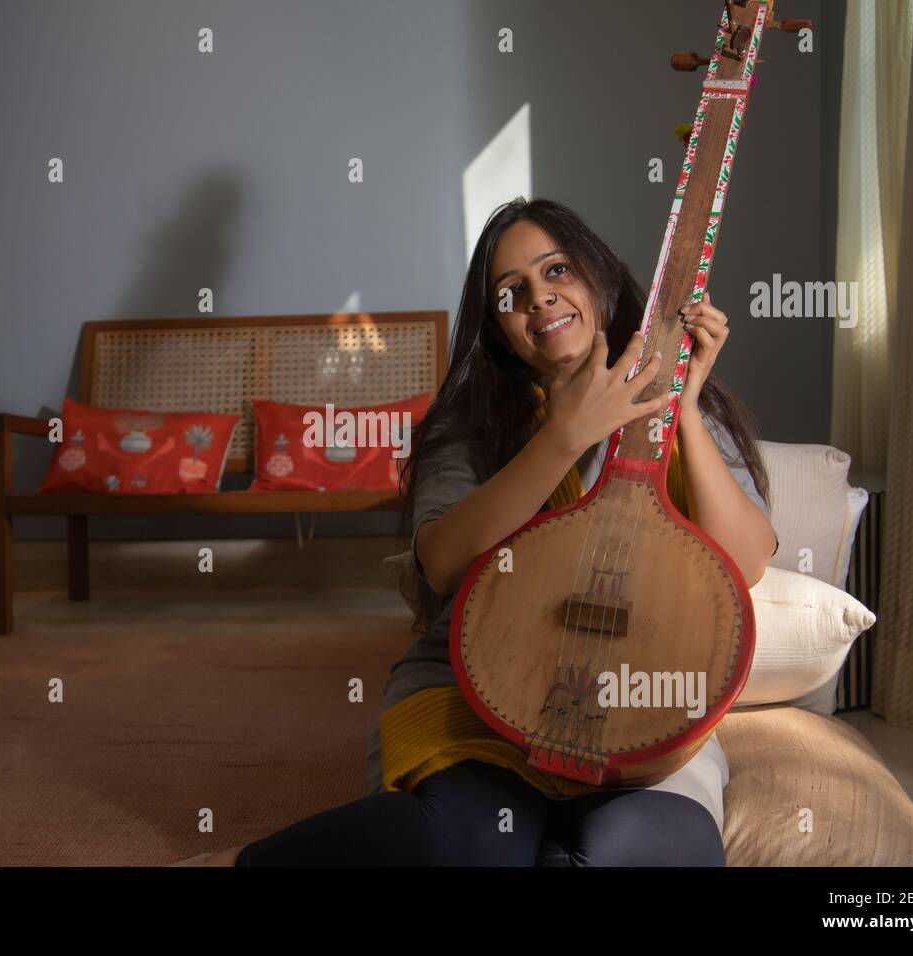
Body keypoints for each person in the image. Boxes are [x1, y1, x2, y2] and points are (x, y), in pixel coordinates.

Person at [172, 197, 778, 867]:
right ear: (497, 328)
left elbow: (744, 563)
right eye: (510, 294)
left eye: (557, 271)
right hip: (475, 692)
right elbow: (442, 562)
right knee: (469, 846)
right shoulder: (467, 423)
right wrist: (565, 435)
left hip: (642, 700)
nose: (539, 299)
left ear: (599, 279)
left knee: (651, 852)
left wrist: (684, 404)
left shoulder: (684, 404)